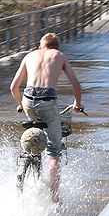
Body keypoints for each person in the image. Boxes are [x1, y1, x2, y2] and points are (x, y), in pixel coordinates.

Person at [10, 32, 84, 204]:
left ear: (41, 46)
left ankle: (28, 163)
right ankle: (54, 196)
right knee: (54, 154)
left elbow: (14, 86)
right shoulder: (59, 56)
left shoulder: (30, 55)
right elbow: (77, 85)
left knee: (34, 132)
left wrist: (20, 103)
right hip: (48, 102)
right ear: (56, 46)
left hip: (28, 100)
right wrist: (77, 104)